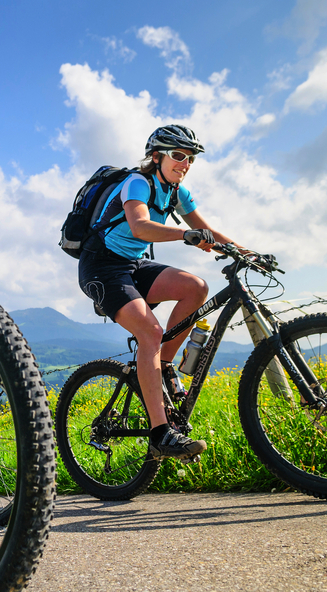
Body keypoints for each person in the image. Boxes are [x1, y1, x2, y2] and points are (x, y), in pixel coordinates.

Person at [77, 124, 242, 460]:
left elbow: (207, 230)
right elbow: (139, 226)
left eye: (190, 158)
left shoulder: (177, 192)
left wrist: (248, 253)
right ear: (157, 157)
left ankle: (162, 366)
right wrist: (186, 235)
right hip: (101, 267)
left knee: (196, 287)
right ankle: (160, 433)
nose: (185, 163)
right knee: (151, 331)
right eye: (178, 156)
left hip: (133, 266)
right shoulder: (137, 182)